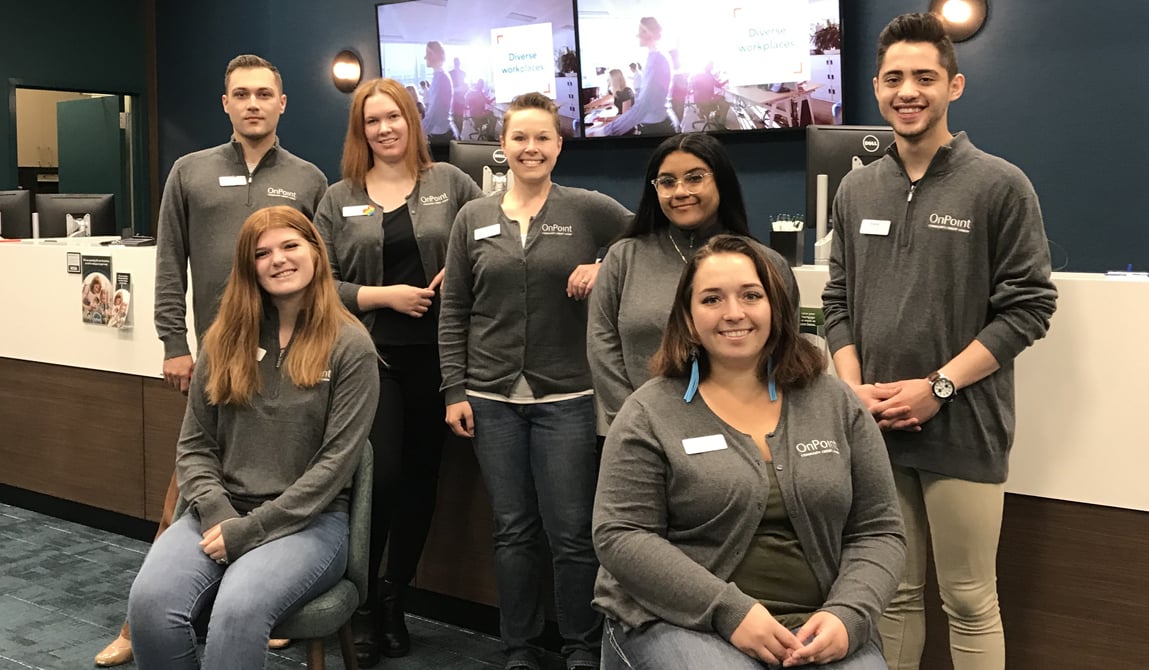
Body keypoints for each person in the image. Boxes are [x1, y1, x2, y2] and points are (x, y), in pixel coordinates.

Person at [821, 13, 1057, 670]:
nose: (907, 91)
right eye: (894, 78)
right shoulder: (856, 187)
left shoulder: (997, 185)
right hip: (875, 431)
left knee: (968, 599)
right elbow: (835, 301)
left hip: (963, 429)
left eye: (923, 77)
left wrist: (938, 387)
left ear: (953, 85)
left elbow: (1029, 309)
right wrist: (849, 389)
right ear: (875, 88)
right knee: (892, 596)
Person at [97, 53, 327, 667]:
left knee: (263, 482)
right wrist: (175, 345)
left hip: (287, 360)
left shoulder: (308, 179)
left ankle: (259, 603)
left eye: (264, 94)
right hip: (216, 364)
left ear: (282, 104)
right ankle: (137, 622)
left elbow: (320, 271)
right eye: (241, 94)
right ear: (225, 104)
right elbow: (169, 262)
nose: (253, 103)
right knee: (188, 492)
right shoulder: (189, 172)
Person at [593, 234, 905, 670]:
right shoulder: (649, 411)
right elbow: (621, 535)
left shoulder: (836, 403)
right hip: (680, 619)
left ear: (776, 306)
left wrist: (849, 614)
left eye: (751, 295)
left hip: (816, 623)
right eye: (712, 299)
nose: (733, 313)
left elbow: (879, 531)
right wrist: (730, 611)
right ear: (687, 316)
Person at [126, 205, 379, 670]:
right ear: (249, 268)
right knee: (149, 603)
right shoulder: (224, 338)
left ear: (316, 253)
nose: (278, 259)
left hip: (311, 523)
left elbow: (335, 466)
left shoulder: (351, 345)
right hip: (223, 510)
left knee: (238, 611)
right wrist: (221, 514)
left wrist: (250, 531)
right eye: (262, 253)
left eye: (290, 246)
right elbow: (195, 446)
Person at [438, 92, 632, 670]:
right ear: (503, 146)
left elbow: (646, 238)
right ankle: (518, 648)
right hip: (490, 397)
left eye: (542, 137)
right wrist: (454, 389)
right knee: (512, 530)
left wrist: (604, 264)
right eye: (519, 137)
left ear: (558, 145)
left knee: (572, 534)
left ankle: (579, 647)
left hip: (567, 397)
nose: (530, 147)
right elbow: (454, 309)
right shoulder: (473, 216)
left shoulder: (586, 209)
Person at [312, 77, 483, 668]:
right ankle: (360, 603)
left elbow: (485, 247)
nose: (385, 129)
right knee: (378, 483)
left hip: (442, 359)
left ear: (413, 120)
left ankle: (393, 602)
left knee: (420, 483)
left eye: (394, 117)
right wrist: (385, 296)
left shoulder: (453, 184)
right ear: (360, 131)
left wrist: (454, 277)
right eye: (372, 121)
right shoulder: (338, 198)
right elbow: (318, 282)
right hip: (369, 359)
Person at [588, 132, 798, 426]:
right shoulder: (623, 258)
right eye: (667, 181)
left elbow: (783, 353)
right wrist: (633, 423)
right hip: (644, 429)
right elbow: (602, 345)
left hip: (740, 431)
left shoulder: (765, 263)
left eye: (695, 178)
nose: (680, 191)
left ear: (720, 181)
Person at [604, 18, 673, 136]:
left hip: (657, 128)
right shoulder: (653, 58)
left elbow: (643, 105)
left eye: (642, 31)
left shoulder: (656, 61)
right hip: (655, 124)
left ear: (650, 33)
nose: (637, 35)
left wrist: (607, 131)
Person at [584, 69, 634, 134]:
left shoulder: (627, 91)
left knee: (592, 133)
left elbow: (624, 117)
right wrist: (586, 106)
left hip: (626, 124)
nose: (608, 81)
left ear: (615, 80)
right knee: (590, 131)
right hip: (618, 120)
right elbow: (602, 100)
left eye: (609, 79)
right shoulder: (617, 91)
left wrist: (605, 119)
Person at [422, 41, 454, 143]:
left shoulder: (441, 78)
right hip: (442, 133)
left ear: (435, 55)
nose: (425, 57)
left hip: (442, 137)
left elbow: (434, 113)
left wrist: (419, 133)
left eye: (428, 53)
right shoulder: (439, 76)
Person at [449, 57, 468, 137]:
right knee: (455, 119)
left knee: (460, 119)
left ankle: (458, 135)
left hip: (460, 99)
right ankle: (456, 135)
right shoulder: (450, 73)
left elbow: (464, 87)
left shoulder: (463, 73)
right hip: (454, 99)